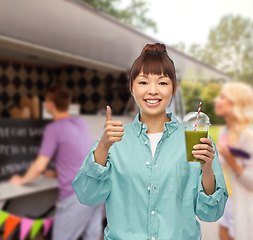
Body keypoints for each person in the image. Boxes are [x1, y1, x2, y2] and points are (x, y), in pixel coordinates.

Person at [72, 43, 228, 240]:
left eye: (162, 83)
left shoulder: (196, 140)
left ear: (174, 89)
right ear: (131, 88)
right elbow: (87, 196)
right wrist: (103, 146)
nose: (153, 91)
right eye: (143, 82)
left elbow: (211, 213)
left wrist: (206, 168)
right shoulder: (113, 141)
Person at [9, 83, 104, 240]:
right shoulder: (81, 123)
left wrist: (21, 180)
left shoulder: (54, 128)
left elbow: (39, 166)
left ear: (50, 104)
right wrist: (55, 173)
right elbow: (79, 156)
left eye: (46, 100)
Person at [214, 82, 253, 240]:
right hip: (226, 204)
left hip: (242, 208)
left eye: (223, 97)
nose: (216, 100)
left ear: (235, 104)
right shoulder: (224, 132)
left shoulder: (248, 138)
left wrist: (232, 162)